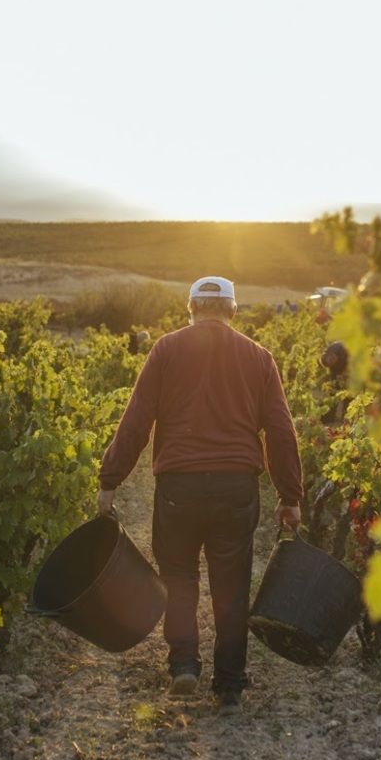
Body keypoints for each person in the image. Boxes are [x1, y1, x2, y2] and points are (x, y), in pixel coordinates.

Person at [97, 276, 303, 712]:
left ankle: (185, 664)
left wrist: (110, 480)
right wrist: (291, 495)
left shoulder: (166, 350)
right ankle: (229, 685)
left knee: (179, 578)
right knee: (231, 586)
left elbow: (136, 420)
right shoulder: (259, 357)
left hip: (179, 486)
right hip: (236, 486)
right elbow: (282, 433)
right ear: (232, 310)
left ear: (191, 307)